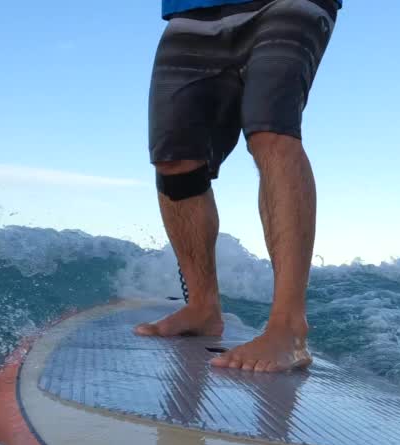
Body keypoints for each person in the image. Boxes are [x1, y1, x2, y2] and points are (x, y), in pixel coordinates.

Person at [135, 0, 341, 372]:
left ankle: (288, 328)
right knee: (175, 158)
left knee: (270, 131)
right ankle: (202, 307)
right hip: (190, 10)